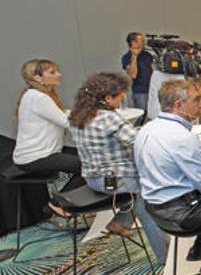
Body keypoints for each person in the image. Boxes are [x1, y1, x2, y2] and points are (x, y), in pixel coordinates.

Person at [69, 73, 168, 262]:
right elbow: (138, 141)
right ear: (107, 98)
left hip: (92, 178)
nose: (122, 100)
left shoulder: (77, 115)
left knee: (139, 193)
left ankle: (120, 222)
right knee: (150, 200)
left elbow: (114, 137)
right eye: (120, 96)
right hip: (115, 181)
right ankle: (166, 256)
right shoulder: (107, 118)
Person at [135, 80, 201, 262]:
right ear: (179, 105)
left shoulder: (147, 128)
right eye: (197, 100)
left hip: (154, 208)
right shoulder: (182, 137)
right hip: (183, 214)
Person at [13, 59, 85, 216]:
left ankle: (63, 203)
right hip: (35, 157)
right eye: (52, 72)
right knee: (91, 166)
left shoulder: (36, 95)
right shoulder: (38, 97)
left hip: (42, 154)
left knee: (88, 159)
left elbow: (64, 113)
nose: (59, 74)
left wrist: (89, 114)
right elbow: (67, 122)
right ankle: (58, 204)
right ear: (37, 77)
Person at [121, 32, 153, 124]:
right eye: (142, 41)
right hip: (140, 92)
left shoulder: (147, 55)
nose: (144, 43)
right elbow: (133, 75)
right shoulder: (126, 58)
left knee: (152, 115)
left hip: (151, 90)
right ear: (134, 43)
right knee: (141, 116)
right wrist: (134, 56)